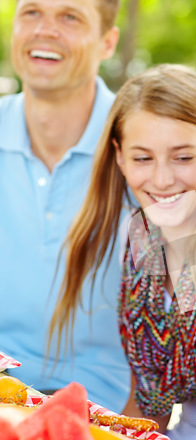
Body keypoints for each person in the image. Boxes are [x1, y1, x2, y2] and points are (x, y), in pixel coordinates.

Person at [49, 63, 196, 440]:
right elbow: (147, 401)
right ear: (119, 157)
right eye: (143, 158)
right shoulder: (141, 247)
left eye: (183, 157)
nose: (163, 179)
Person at [0, 0, 130, 413]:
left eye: (70, 17)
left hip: (109, 420)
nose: (46, 30)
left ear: (107, 42)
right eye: (32, 12)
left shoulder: (148, 147)